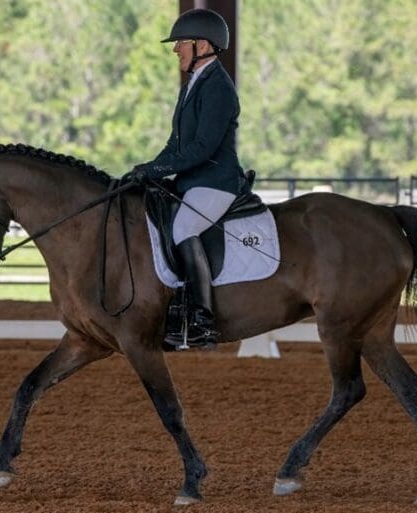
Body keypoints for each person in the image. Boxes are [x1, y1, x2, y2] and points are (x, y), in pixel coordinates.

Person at [122, 8, 245, 346]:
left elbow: (203, 148)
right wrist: (144, 169)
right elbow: (175, 145)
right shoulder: (192, 85)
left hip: (216, 182)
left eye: (181, 43)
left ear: (202, 45)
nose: (176, 49)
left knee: (183, 228)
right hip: (192, 182)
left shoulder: (218, 86)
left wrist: (156, 170)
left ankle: (202, 318)